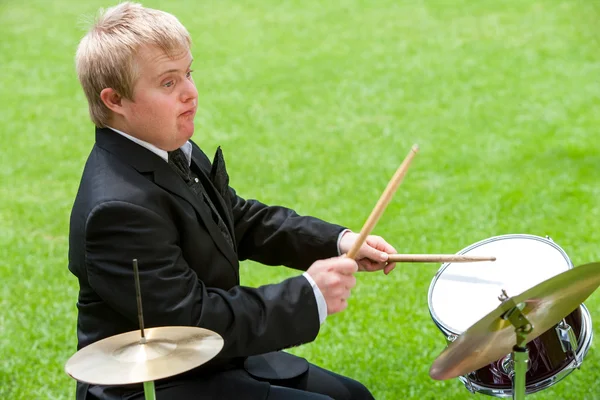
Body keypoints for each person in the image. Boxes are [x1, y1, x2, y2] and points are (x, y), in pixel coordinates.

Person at [68, 2, 397, 399]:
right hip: (157, 383)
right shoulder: (117, 211)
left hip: (214, 359)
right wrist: (308, 295)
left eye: (188, 73)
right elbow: (192, 320)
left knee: (353, 396)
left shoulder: (168, 147)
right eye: (169, 83)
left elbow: (239, 220)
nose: (190, 93)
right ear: (114, 100)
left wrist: (340, 241)